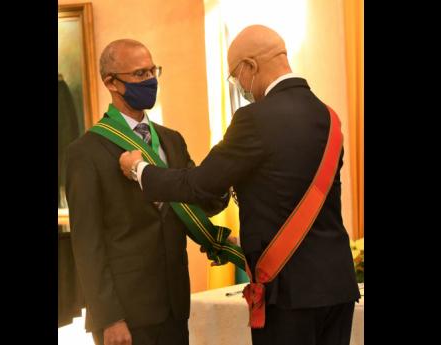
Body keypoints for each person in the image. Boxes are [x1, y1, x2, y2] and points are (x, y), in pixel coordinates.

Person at [119, 25, 361, 345]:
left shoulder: (254, 118)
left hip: (287, 292)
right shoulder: (327, 116)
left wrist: (140, 170)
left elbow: (199, 184)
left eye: (236, 76)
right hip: (337, 285)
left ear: (250, 66)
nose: (240, 85)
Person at [65, 39, 228, 345]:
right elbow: (88, 244)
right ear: (111, 83)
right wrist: (109, 318)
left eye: (153, 70)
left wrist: (228, 181)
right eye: (140, 74)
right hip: (125, 314)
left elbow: (195, 200)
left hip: (174, 305)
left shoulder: (172, 141)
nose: (151, 80)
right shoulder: (86, 152)